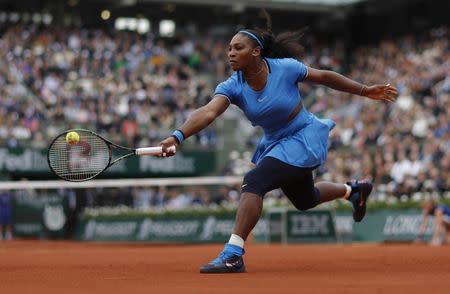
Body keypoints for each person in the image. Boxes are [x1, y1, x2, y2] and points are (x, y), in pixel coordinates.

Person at [159, 12, 398, 273]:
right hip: (276, 143)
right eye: (229, 48)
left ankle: (233, 254)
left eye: (238, 47)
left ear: (256, 52)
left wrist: (365, 90)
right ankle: (354, 190)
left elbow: (326, 77)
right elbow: (208, 112)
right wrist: (177, 136)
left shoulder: (285, 67)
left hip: (304, 136)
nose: (230, 53)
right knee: (306, 199)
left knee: (254, 181)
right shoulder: (232, 85)